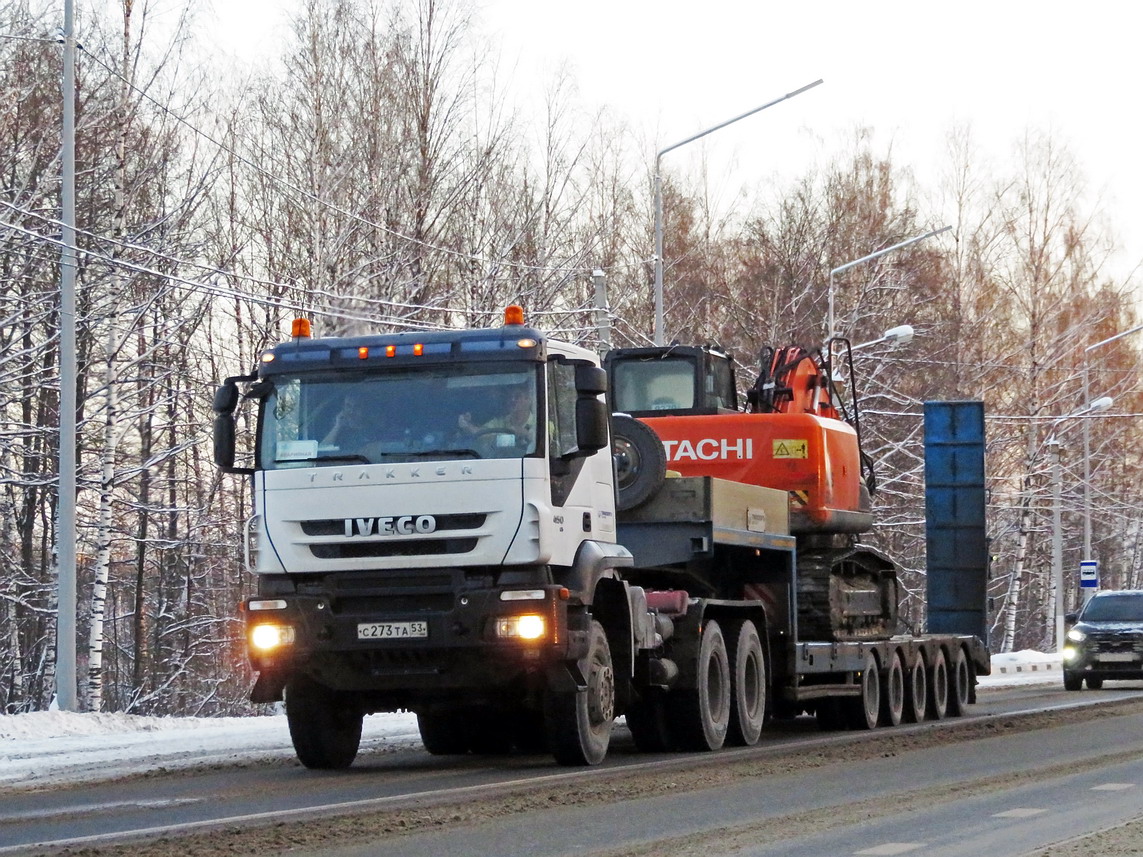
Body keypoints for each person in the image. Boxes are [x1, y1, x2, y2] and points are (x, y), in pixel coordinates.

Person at [458, 385, 535, 450]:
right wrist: (466, 425)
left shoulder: (538, 423)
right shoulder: (499, 422)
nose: (512, 400)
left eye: (517, 396)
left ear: (528, 400)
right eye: (510, 397)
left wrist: (527, 435)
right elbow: (481, 434)